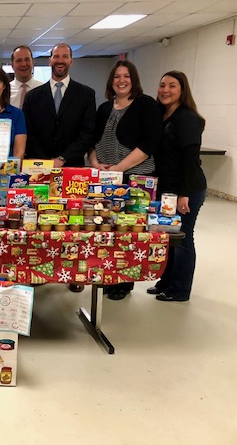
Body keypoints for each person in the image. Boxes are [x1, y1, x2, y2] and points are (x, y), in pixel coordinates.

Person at [23, 42, 96, 293]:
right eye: (56, 56)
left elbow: (87, 133)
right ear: (50, 61)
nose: (60, 60)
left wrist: (62, 159)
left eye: (65, 56)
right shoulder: (33, 96)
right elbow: (28, 133)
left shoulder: (86, 94)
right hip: (41, 171)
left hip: (73, 169)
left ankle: (75, 274)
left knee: (72, 225)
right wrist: (46, 163)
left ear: (71, 61)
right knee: (43, 223)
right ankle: (41, 269)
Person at [88, 60, 162, 300]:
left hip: (135, 179)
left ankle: (125, 281)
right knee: (108, 229)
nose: (121, 80)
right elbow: (92, 141)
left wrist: (119, 169)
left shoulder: (146, 105)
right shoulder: (103, 108)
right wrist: (96, 164)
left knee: (130, 232)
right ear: (111, 81)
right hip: (108, 178)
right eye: (117, 76)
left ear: (134, 79)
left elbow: (149, 144)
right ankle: (110, 275)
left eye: (126, 76)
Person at [147, 71, 207, 302]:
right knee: (169, 238)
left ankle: (180, 289)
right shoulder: (162, 116)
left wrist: (184, 194)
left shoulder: (187, 118)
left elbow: (191, 160)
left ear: (183, 90)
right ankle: (166, 281)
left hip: (187, 189)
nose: (165, 90)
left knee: (182, 238)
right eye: (162, 85)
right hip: (167, 190)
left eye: (172, 86)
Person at [9, 45, 43, 109]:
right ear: (12, 65)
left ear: (32, 62)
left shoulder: (44, 90)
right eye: (19, 60)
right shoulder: (5, 91)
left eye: (27, 59)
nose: (23, 64)